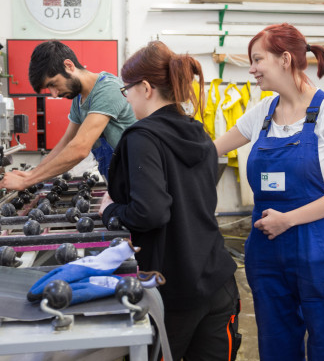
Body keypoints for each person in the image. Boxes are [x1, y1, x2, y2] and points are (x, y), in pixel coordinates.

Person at [214, 23, 324, 361]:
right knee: (277, 344)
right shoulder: (263, 112)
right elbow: (210, 150)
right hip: (267, 253)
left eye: (256, 59)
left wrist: (288, 220)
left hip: (316, 251)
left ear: (284, 59)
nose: (251, 69)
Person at [99, 41, 240, 361]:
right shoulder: (198, 131)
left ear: (145, 88)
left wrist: (110, 210)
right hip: (217, 280)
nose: (127, 99)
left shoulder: (142, 137)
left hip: (172, 290)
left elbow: (150, 212)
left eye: (127, 91)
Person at [0, 41, 136, 191]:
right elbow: (67, 142)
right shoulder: (79, 99)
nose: (54, 94)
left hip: (137, 180)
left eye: (53, 84)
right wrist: (31, 174)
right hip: (120, 183)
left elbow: (79, 148)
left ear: (69, 65)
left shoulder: (107, 89)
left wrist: (27, 181)